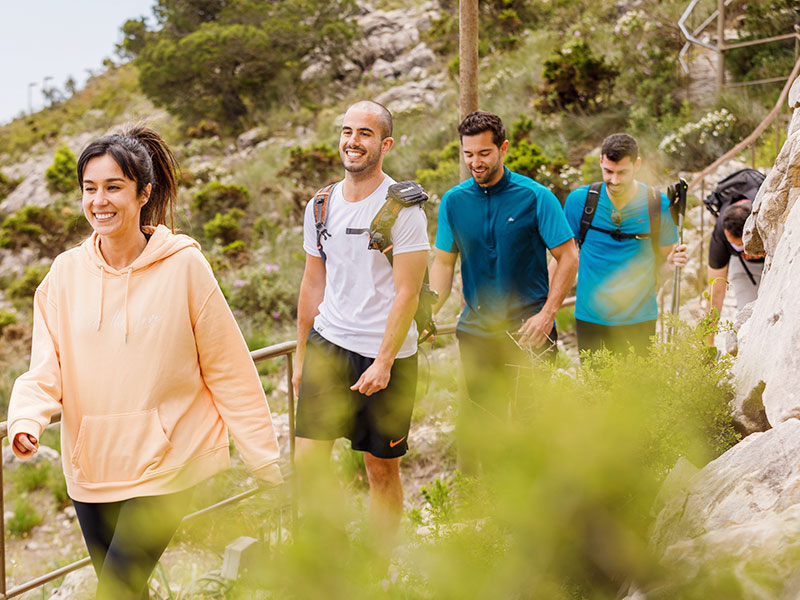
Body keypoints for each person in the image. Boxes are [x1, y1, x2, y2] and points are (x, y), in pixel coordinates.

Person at [7, 126, 283, 600]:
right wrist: (26, 418)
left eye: (114, 187)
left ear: (144, 194)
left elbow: (228, 366)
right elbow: (44, 368)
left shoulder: (185, 267)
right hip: (91, 466)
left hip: (165, 463)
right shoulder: (64, 275)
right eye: (90, 189)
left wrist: (264, 458)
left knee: (115, 590)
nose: (100, 201)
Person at [292, 101, 429, 544]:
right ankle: (325, 559)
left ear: (385, 144)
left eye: (365, 134)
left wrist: (385, 361)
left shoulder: (403, 210)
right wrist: (300, 357)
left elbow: (408, 292)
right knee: (308, 462)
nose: (353, 141)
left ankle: (380, 568)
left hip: (383, 355)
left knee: (380, 469)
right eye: (347, 131)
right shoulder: (320, 205)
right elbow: (313, 283)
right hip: (328, 345)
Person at [429, 110, 578, 420]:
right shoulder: (453, 201)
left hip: (530, 332)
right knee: (488, 429)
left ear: (503, 148)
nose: (475, 162)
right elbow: (443, 263)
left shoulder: (536, 197)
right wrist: (427, 313)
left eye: (484, 153)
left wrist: (548, 314)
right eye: (468, 154)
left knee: (536, 427)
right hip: (476, 335)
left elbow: (568, 257)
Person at [563, 133, 687, 358]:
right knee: (596, 391)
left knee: (638, 392)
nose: (615, 180)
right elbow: (564, 258)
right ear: (601, 161)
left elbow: (664, 269)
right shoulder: (578, 202)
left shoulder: (657, 204)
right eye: (608, 171)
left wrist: (672, 263)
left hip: (640, 319)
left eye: (622, 172)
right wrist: (547, 306)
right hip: (591, 319)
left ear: (637, 165)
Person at [706, 200, 764, 344]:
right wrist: (708, 344)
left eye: (742, 246)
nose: (740, 248)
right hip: (744, 267)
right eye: (735, 245)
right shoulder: (720, 236)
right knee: (748, 318)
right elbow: (716, 292)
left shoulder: (766, 219)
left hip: (773, 255)